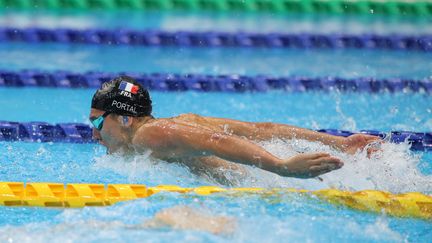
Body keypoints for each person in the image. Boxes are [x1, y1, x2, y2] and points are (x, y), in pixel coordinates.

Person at [89, 76, 380, 180]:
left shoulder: (148, 136)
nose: (94, 134)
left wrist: (282, 167)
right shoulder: (181, 122)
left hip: (271, 181)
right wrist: (338, 143)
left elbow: (216, 140)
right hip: (273, 178)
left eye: (98, 122)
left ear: (125, 118)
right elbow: (261, 129)